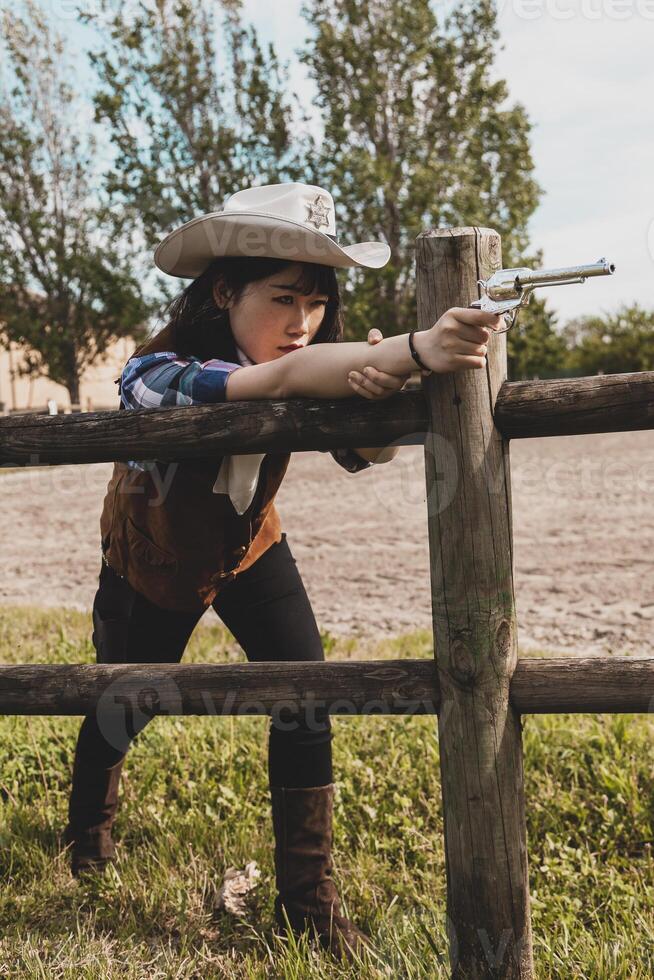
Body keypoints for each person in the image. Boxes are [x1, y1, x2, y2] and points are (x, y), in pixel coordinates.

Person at [63, 182, 501, 962]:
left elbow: (361, 453)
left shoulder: (307, 358)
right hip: (154, 559)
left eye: (316, 304)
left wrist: (376, 388)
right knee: (125, 699)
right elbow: (268, 385)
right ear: (225, 291)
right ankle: (88, 830)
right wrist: (403, 350)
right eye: (282, 299)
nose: (301, 324)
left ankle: (308, 905)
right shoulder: (154, 370)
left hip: (251, 546)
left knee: (309, 691)